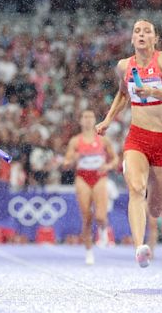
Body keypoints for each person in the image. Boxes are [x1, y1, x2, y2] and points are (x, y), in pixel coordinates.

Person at [96, 19, 162, 268]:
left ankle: (150, 222)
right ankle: (139, 248)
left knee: (155, 209)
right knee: (135, 188)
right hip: (138, 137)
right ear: (132, 39)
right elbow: (123, 94)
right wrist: (107, 120)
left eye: (147, 31)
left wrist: (153, 92)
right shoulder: (124, 66)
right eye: (137, 31)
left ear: (155, 39)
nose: (142, 34)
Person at [63, 109, 119, 265]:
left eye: (90, 117)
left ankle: (103, 229)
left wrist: (107, 167)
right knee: (87, 217)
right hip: (83, 177)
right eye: (85, 117)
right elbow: (66, 164)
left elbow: (115, 160)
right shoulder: (75, 141)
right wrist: (75, 158)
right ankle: (88, 251)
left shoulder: (103, 140)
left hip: (100, 177)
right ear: (80, 121)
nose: (87, 120)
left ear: (95, 120)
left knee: (101, 216)